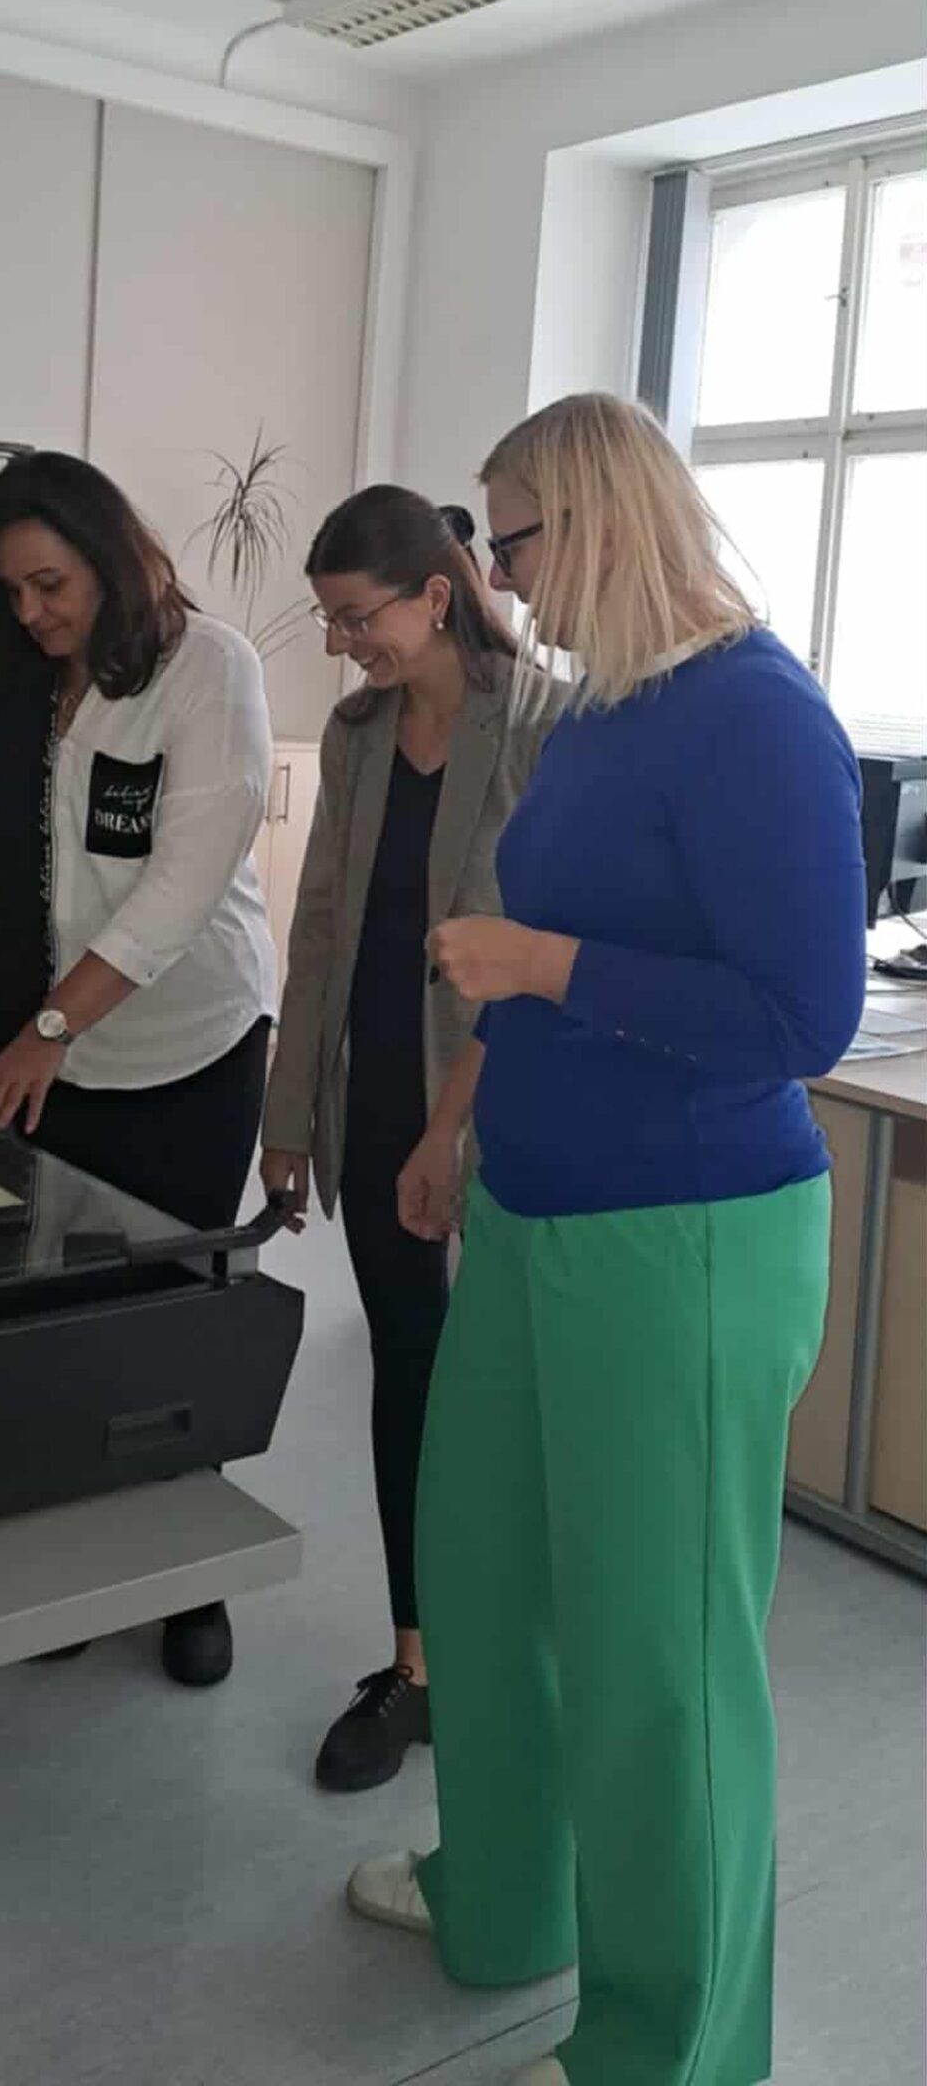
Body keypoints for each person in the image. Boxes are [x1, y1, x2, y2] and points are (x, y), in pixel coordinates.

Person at [347, 396, 866, 2086]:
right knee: (488, 1584)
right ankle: (506, 1899)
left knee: (660, 1663)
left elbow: (800, 1016)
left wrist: (542, 970)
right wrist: (455, 1125)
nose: (498, 579)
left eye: (510, 541)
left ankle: (670, 2048)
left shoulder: (758, 714)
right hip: (533, 1206)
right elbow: (534, 943)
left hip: (687, 1238)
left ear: (599, 516)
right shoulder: (599, 709)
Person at [0, 450, 277, 1690]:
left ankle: (189, 1574)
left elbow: (180, 888)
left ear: (111, 561)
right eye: (11, 592)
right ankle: (80, 1556)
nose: (30, 612)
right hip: (56, 1046)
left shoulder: (209, 669)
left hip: (187, 1046)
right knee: (65, 1308)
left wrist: (50, 1029)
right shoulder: (21, 684)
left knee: (177, 1306)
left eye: (51, 585)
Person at [260, 488, 557, 1791]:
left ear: (435, 597)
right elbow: (320, 929)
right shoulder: (359, 732)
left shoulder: (544, 725)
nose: (343, 645)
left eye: (354, 618)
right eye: (330, 622)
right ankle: (416, 1667)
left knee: (506, 1395)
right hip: (376, 1094)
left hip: (504, 1107)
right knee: (410, 1375)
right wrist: (286, 1117)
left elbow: (542, 944)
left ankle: (511, 1660)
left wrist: (457, 1123)